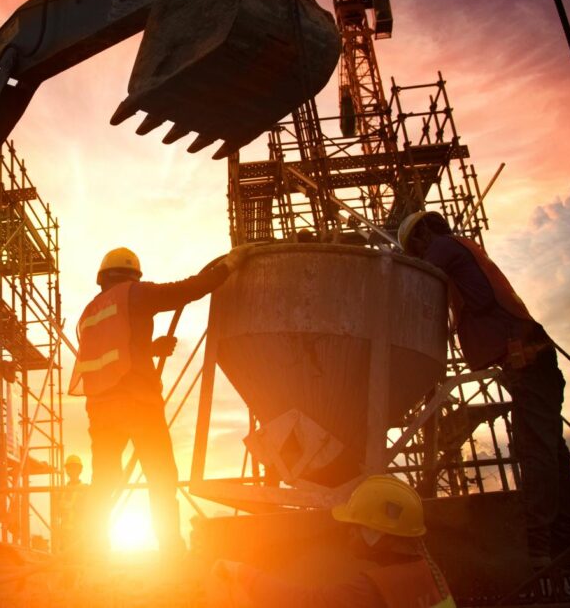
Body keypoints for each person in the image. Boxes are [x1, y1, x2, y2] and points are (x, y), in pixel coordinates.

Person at [398, 211, 570, 566]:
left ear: (423, 234)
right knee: (550, 449)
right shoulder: (460, 254)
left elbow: (412, 276)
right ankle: (564, 537)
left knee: (536, 449)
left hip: (528, 360)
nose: (420, 255)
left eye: (416, 248)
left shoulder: (443, 248)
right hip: (531, 362)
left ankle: (539, 545)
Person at [69, 245, 251, 555]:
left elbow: (111, 351)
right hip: (137, 402)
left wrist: (150, 349)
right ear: (133, 276)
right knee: (161, 476)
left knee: (104, 481)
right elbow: (187, 290)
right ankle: (170, 550)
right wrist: (229, 266)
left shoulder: (89, 312)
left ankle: (93, 550)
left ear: (102, 278)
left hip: (101, 409)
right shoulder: (134, 294)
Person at [210, 475, 456, 607]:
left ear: (376, 533)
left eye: (354, 527)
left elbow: (308, 603)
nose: (348, 534)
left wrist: (242, 572)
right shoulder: (428, 572)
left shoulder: (376, 588)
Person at [53, 454, 88, 554]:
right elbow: (56, 512)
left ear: (80, 470)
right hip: (64, 533)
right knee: (65, 561)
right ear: (67, 470)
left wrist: (72, 506)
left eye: (75, 468)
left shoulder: (85, 489)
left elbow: (88, 510)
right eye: (70, 468)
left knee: (78, 560)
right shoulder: (62, 490)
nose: (72, 471)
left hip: (79, 532)